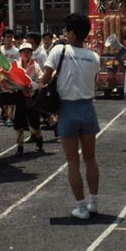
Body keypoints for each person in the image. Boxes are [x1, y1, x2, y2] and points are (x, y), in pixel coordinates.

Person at [42, 13, 100, 220]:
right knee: (90, 158)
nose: (64, 34)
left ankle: (81, 207)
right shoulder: (94, 56)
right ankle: (93, 202)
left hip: (67, 109)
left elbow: (44, 78)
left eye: (66, 31)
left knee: (72, 161)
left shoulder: (59, 50)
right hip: (88, 108)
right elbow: (92, 81)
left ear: (72, 33)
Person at [13, 42, 44, 155]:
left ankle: (39, 139)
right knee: (19, 123)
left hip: (32, 97)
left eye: (28, 52)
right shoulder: (16, 65)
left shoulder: (35, 66)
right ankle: (20, 146)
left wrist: (32, 86)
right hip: (20, 96)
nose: (26, 54)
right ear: (20, 54)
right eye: (24, 52)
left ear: (31, 53)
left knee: (34, 122)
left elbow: (40, 81)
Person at [0, 28, 19, 125]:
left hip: (11, 78)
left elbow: (17, 64)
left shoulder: (16, 51)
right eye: (7, 37)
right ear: (3, 38)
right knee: (2, 99)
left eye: (11, 37)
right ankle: (5, 117)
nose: (9, 39)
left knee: (11, 98)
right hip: (1, 78)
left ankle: (10, 118)